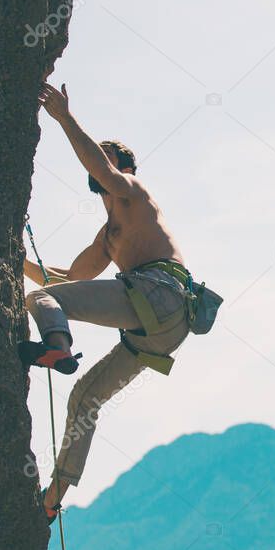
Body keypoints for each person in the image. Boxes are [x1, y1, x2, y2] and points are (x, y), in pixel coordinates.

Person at [22, 82, 195, 523]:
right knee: (85, 397)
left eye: (104, 154)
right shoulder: (110, 236)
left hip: (159, 292)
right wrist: (15, 259)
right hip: (157, 328)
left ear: (120, 164)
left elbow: (105, 172)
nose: (96, 159)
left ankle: (58, 346)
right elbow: (66, 279)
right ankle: (52, 498)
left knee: (42, 303)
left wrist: (64, 118)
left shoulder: (132, 190)